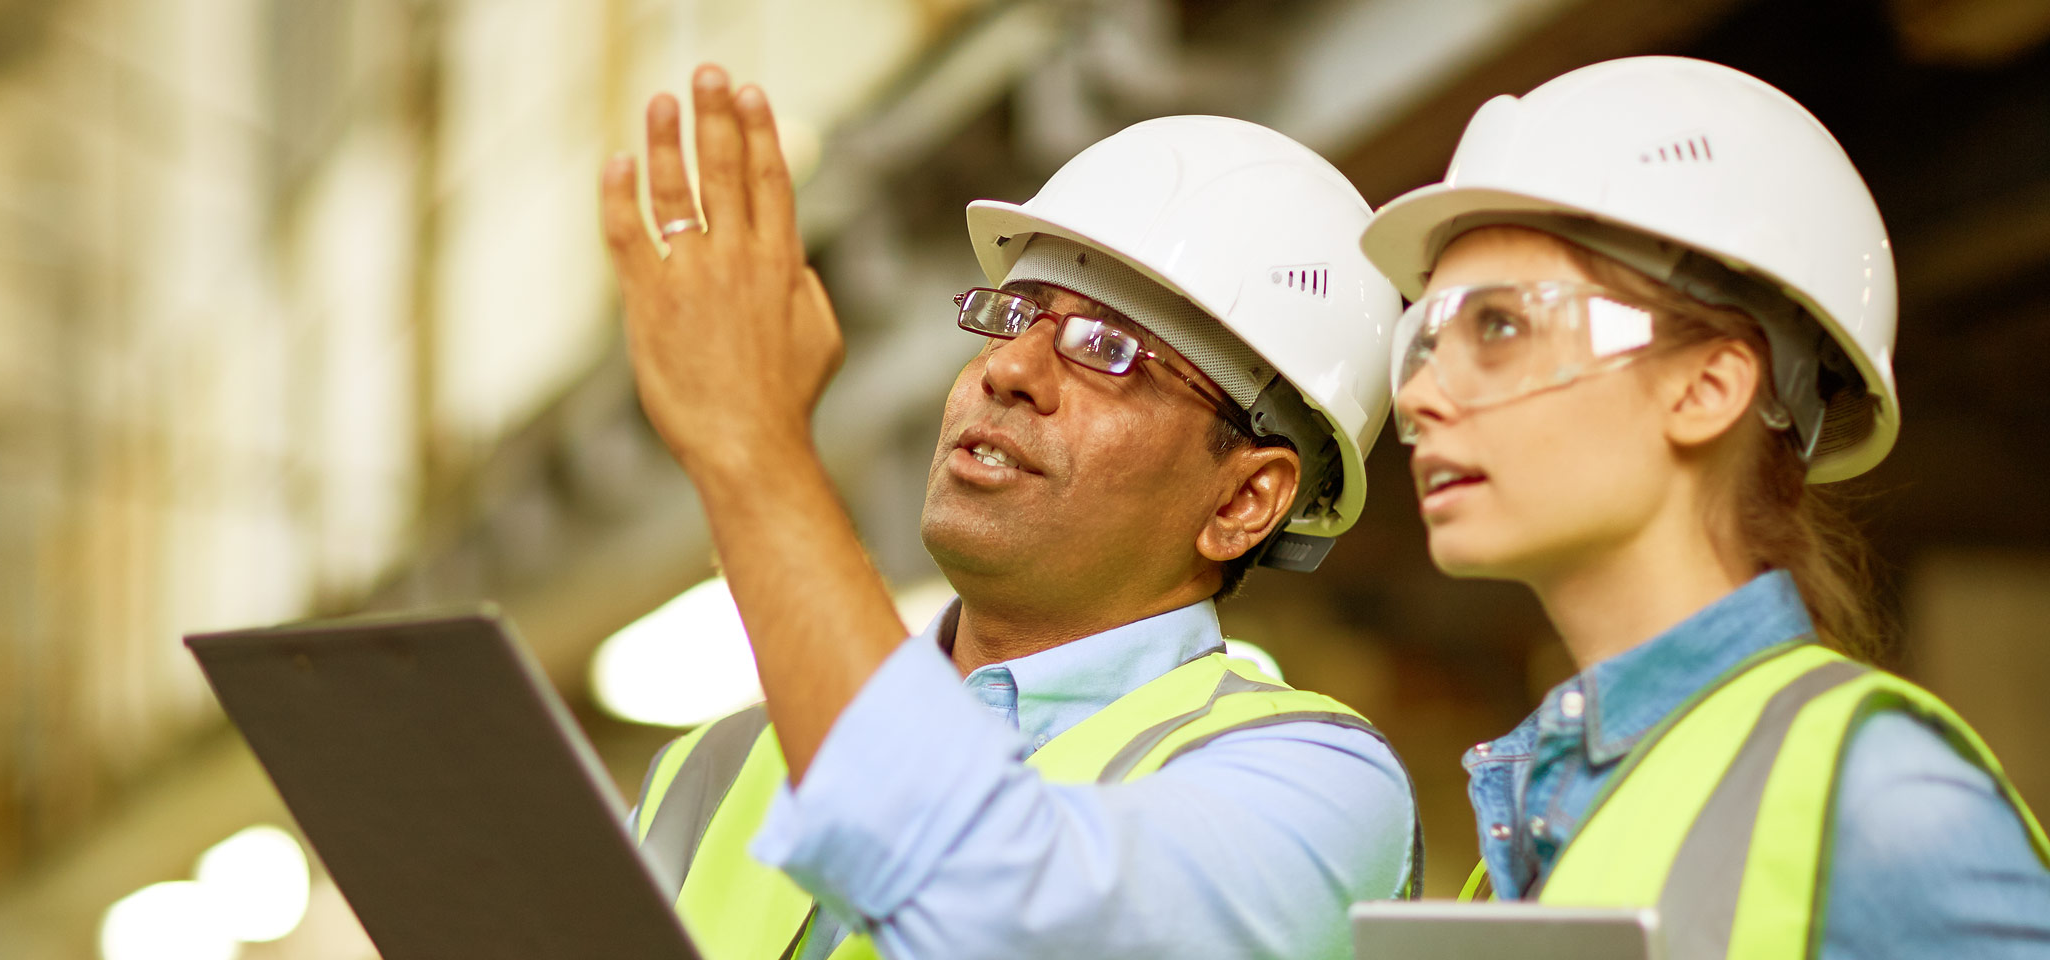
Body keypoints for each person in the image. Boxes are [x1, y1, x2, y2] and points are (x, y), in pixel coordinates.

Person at [598, 64, 1418, 960]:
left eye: (1108, 349)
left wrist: (752, 447)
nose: (1009, 369)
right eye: (1014, 314)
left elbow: (1000, 911)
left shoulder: (1311, 789)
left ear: (1243, 499)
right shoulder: (712, 770)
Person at [1362, 56, 2050, 958]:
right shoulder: (1531, 814)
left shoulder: (1884, 800)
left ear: (1707, 386)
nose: (1421, 397)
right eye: (1426, 341)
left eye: (1499, 326)